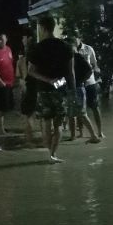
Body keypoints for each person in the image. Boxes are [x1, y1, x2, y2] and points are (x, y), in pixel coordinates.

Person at [27, 16, 76, 163]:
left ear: (42, 28)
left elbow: (30, 71)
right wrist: (72, 91)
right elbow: (71, 72)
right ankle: (53, 154)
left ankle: (48, 153)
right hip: (60, 86)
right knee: (59, 123)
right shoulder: (66, 46)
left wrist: (48, 80)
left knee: (46, 121)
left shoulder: (37, 48)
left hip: (43, 88)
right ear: (54, 27)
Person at [65, 38, 101, 144]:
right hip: (72, 88)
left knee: (81, 113)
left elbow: (90, 70)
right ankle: (73, 136)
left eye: (68, 46)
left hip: (78, 88)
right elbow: (65, 75)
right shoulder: (69, 58)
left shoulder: (78, 57)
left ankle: (94, 135)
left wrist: (81, 81)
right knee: (71, 113)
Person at [76, 37, 104, 138]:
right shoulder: (70, 50)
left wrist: (96, 73)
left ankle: (100, 131)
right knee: (79, 110)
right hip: (78, 84)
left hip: (90, 83)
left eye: (76, 38)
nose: (74, 40)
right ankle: (81, 132)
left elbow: (95, 65)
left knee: (95, 107)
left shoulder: (88, 49)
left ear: (80, 38)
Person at [17, 28, 38, 145]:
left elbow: (25, 74)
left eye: (23, 37)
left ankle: (29, 141)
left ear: (29, 38)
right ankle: (42, 142)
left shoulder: (29, 53)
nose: (22, 40)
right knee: (37, 116)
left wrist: (23, 86)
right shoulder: (38, 51)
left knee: (28, 115)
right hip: (39, 88)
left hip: (30, 87)